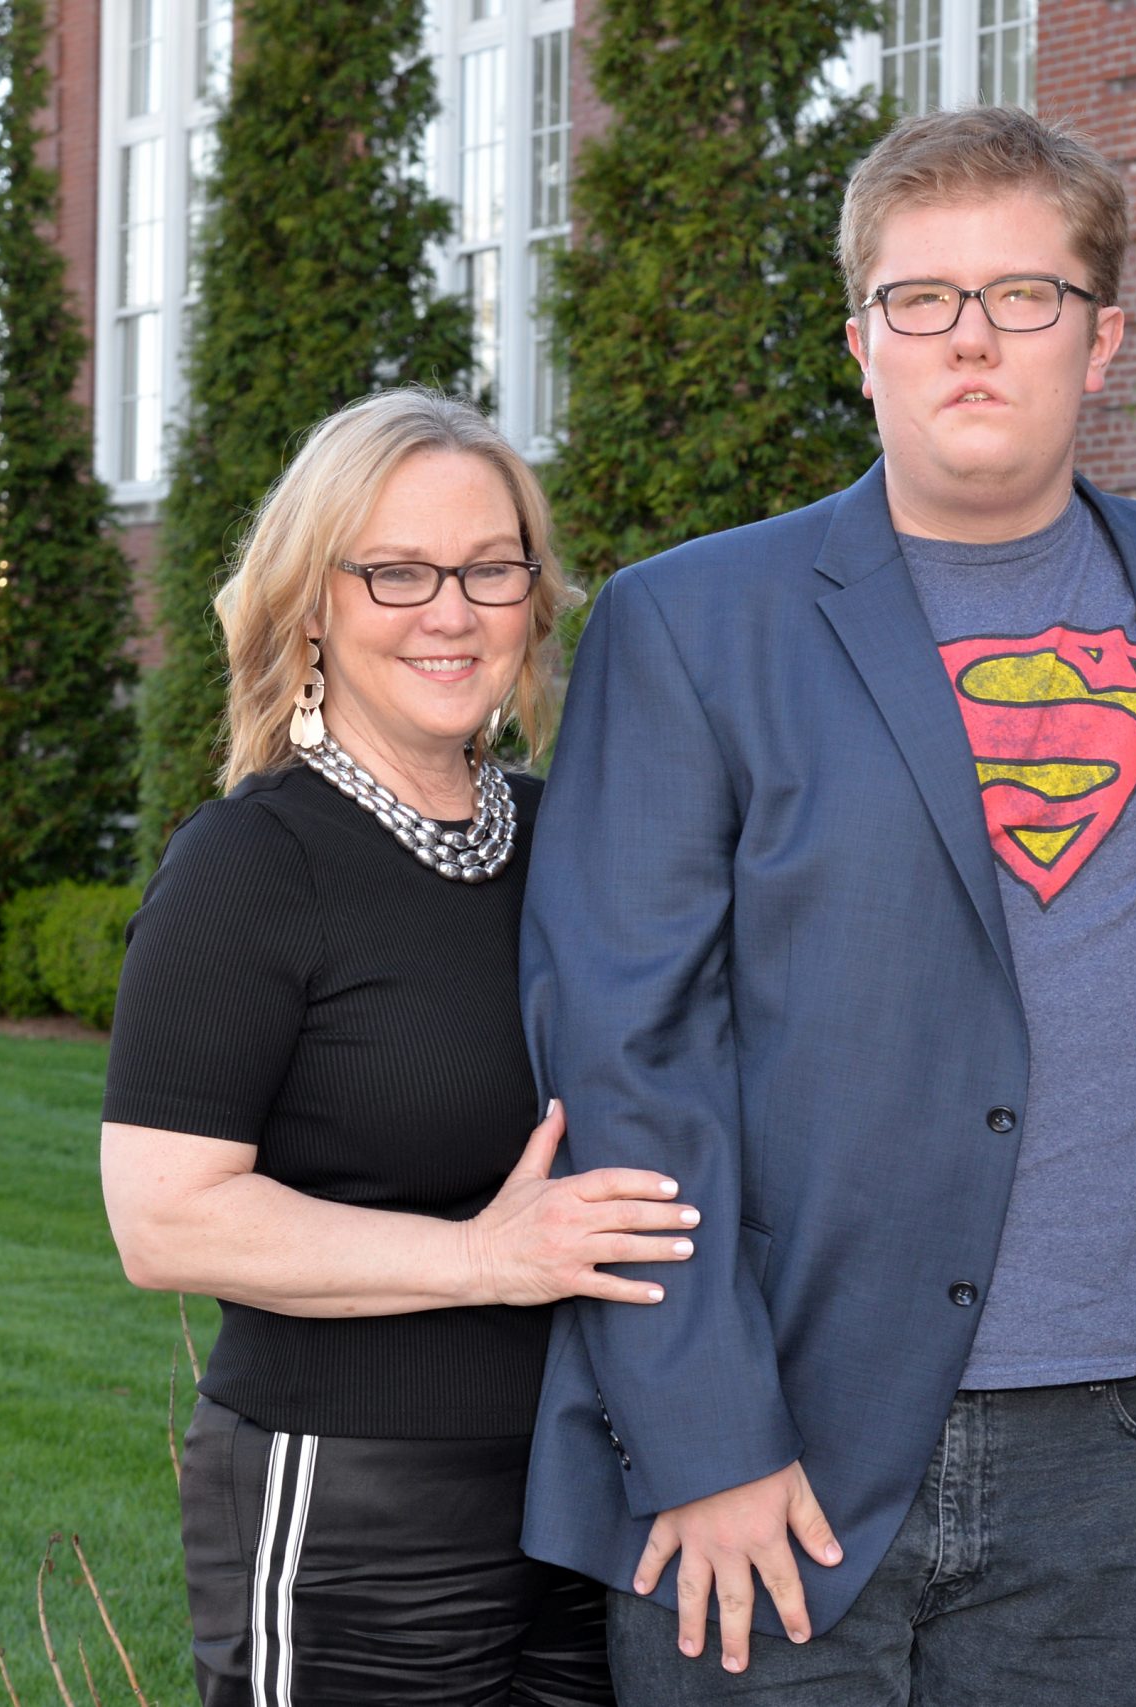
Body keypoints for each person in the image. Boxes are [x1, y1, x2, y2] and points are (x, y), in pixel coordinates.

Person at [518, 107, 1136, 1705]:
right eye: (923, 298)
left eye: (1025, 296)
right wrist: (703, 1436)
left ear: (1103, 340)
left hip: (1117, 1444)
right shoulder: (690, 624)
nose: (973, 340)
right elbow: (625, 1056)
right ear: (860, 342)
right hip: (777, 1441)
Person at [100, 389, 698, 1707]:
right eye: (398, 572)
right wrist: (485, 1258)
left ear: (534, 597)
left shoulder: (574, 839)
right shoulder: (254, 865)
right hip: (354, 1507)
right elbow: (163, 1222)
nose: (452, 611)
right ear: (313, 603)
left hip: (591, 1493)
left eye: (491, 569)